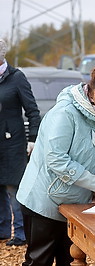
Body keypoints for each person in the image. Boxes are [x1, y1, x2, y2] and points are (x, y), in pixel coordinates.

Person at [16, 62, 95, 266]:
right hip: (43, 203)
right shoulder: (64, 114)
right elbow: (56, 159)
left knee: (70, 260)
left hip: (74, 205)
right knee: (39, 262)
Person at [0, 39, 41, 246]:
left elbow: (33, 111)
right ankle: (2, 230)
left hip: (13, 144)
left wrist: (32, 139)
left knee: (14, 189)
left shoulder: (16, 78)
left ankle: (21, 234)